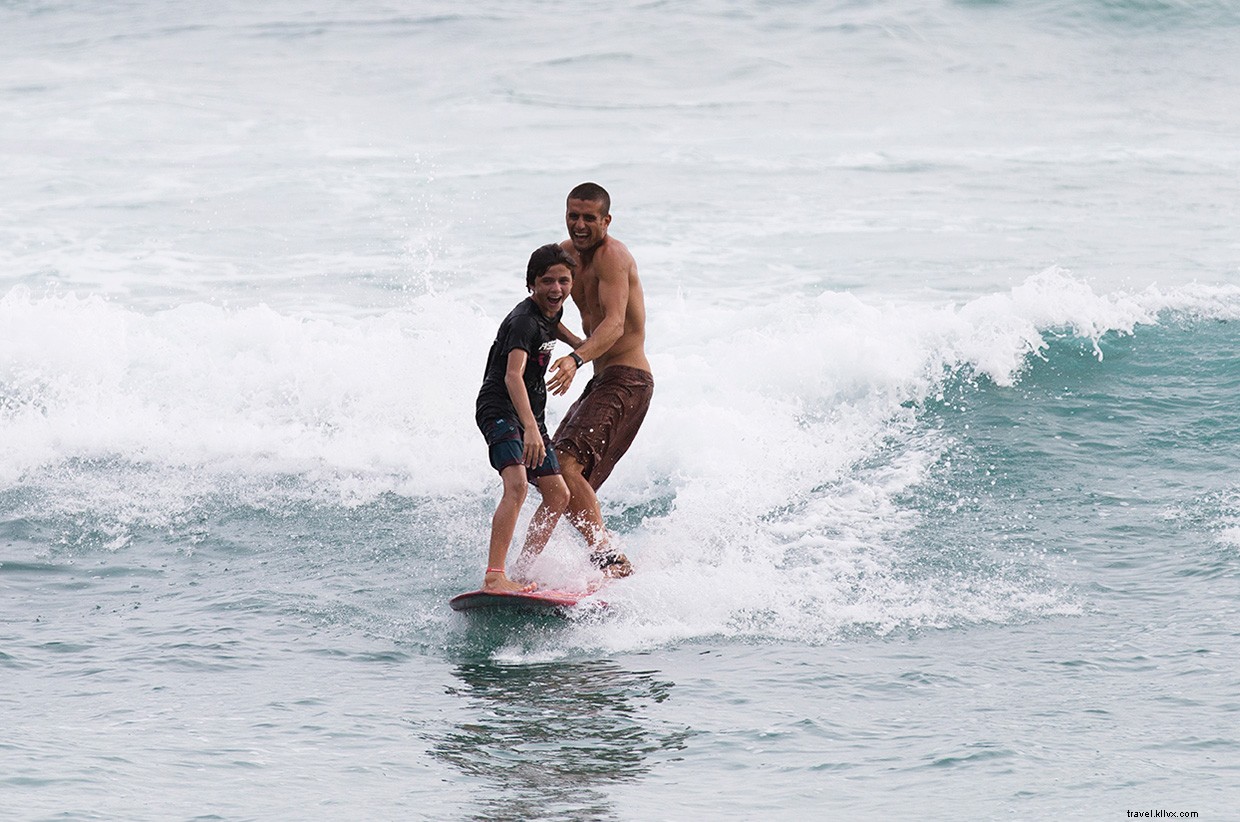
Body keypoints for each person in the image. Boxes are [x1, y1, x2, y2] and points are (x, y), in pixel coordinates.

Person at [518, 182, 654, 579]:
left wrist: (576, 358)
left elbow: (612, 325)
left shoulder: (614, 257)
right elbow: (549, 304)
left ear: (606, 220)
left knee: (564, 464)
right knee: (550, 475)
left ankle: (606, 554)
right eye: (573, 215)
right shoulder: (566, 256)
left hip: (627, 378)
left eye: (589, 218)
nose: (579, 225)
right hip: (602, 377)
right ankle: (602, 560)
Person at [474, 244, 580, 593]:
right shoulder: (523, 321)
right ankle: (495, 576)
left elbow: (557, 330)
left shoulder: (551, 313)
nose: (556, 289)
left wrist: (584, 348)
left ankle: (519, 572)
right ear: (531, 284)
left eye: (564, 281)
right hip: (501, 409)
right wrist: (531, 429)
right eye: (547, 282)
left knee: (557, 494)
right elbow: (512, 376)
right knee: (517, 484)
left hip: (529, 415)